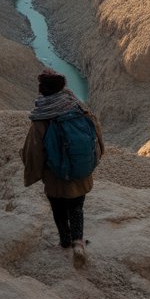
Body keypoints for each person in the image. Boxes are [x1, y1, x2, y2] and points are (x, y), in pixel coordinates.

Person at [21, 69, 104, 265]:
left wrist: (34, 172)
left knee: (59, 210)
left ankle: (65, 242)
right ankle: (78, 243)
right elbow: (97, 140)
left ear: (43, 91)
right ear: (62, 89)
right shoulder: (78, 109)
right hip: (80, 175)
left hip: (55, 177)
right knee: (76, 208)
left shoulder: (41, 119)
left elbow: (34, 153)